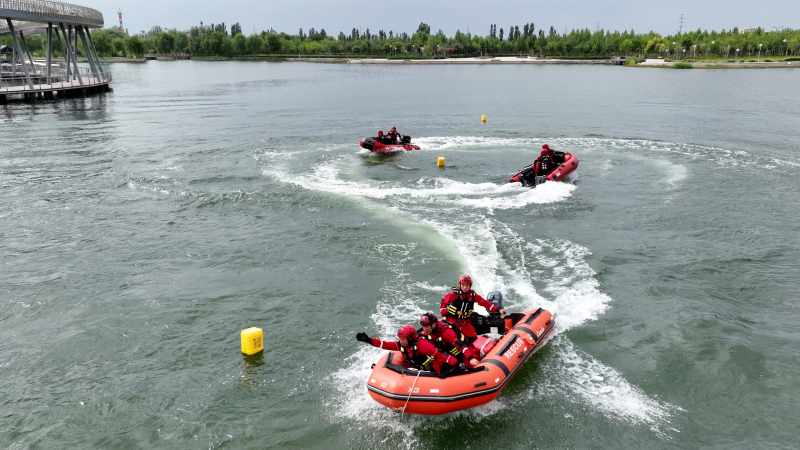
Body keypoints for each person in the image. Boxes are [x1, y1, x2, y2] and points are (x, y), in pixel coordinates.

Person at [356, 325, 466, 373]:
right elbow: (384, 344)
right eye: (400, 339)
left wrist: (457, 364)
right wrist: (369, 340)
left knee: (433, 368)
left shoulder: (421, 345)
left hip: (433, 368)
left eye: (403, 339)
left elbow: (440, 354)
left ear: (409, 338)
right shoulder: (401, 345)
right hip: (417, 368)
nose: (400, 341)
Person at [440, 275, 506, 343]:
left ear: (470, 286)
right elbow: (443, 303)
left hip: (465, 322)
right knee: (452, 338)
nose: (464, 287)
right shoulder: (454, 294)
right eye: (463, 285)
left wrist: (498, 310)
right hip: (452, 320)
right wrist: (444, 316)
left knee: (473, 340)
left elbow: (485, 303)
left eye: (467, 285)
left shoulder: (473, 295)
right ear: (460, 284)